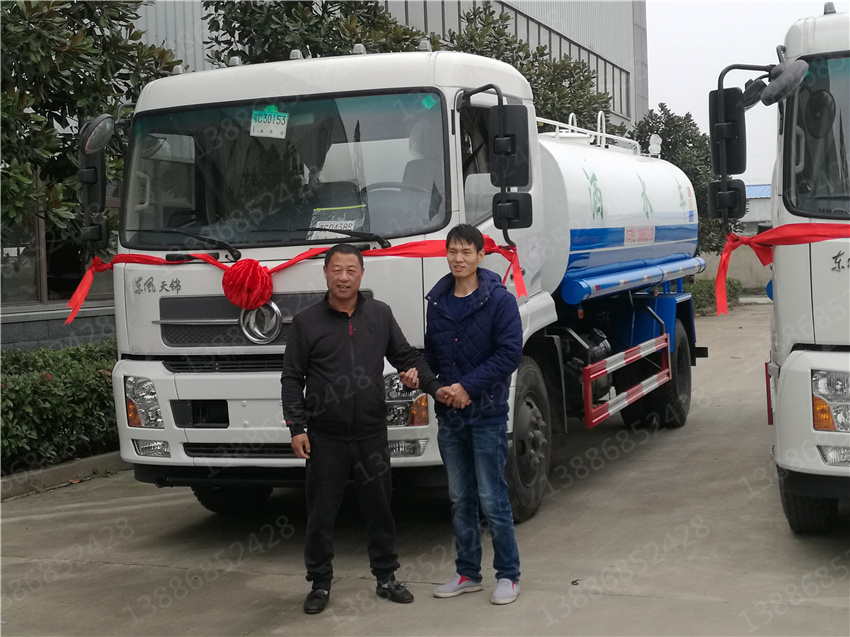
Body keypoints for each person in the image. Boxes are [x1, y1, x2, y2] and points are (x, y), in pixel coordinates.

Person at [281, 243, 442, 615]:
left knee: (380, 508)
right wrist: (296, 426)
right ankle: (319, 583)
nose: (343, 277)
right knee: (321, 514)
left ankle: (386, 577)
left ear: (361, 274)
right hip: (325, 437)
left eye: (351, 270)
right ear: (325, 273)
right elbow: (291, 377)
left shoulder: (379, 315)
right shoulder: (306, 322)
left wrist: (430, 384)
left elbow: (406, 357)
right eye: (336, 270)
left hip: (371, 433)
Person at [422, 223, 524, 605]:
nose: (458, 258)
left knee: (492, 498)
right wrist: (430, 383)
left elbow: (509, 354)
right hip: (450, 417)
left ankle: (508, 575)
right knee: (459, 498)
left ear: (481, 255)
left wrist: (467, 387)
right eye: (453, 251)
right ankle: (467, 573)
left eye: (466, 252)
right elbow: (432, 355)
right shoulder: (437, 301)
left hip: (487, 415)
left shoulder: (499, 300)